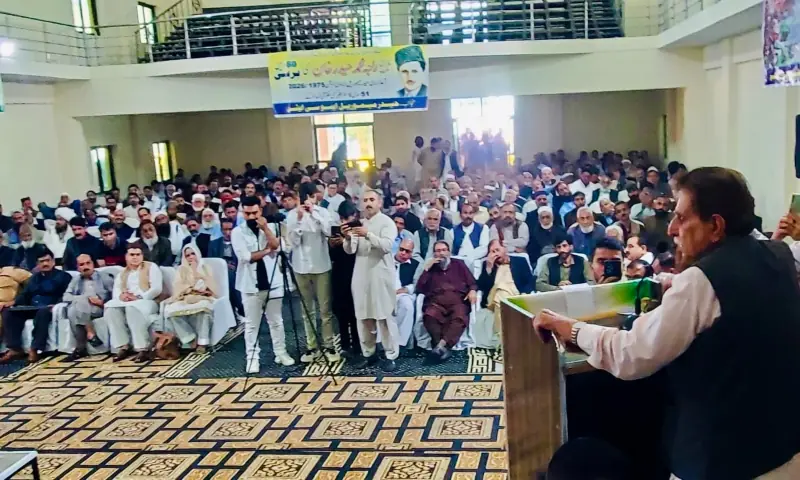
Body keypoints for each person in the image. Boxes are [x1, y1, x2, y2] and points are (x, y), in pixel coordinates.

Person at [535, 167, 800, 479]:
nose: (673, 228)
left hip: (722, 462)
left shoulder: (701, 280)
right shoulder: (784, 255)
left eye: (682, 217)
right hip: (785, 452)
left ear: (715, 225)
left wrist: (571, 329)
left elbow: (632, 354)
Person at [231, 196, 295, 373]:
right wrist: (267, 250)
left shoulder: (272, 226)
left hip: (273, 280)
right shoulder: (237, 232)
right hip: (250, 284)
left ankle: (280, 352)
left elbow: (279, 246)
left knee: (276, 321)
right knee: (252, 325)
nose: (251, 217)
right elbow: (246, 257)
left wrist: (265, 228)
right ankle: (252, 358)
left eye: (254, 213)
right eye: (247, 213)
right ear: (242, 212)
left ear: (261, 211)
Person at [342, 189, 399, 372]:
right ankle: (369, 354)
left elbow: (387, 246)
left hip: (381, 276)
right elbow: (350, 251)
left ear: (379, 203)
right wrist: (348, 237)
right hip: (361, 275)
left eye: (372, 200)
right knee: (363, 316)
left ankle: (390, 355)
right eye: (365, 200)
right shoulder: (359, 223)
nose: (368, 203)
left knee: (384, 317)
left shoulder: (387, 223)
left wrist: (368, 234)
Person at [286, 189, 338, 363]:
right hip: (300, 267)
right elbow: (292, 242)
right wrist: (300, 220)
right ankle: (311, 346)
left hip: (321, 265)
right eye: (304, 197)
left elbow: (329, 232)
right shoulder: (292, 216)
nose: (307, 201)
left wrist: (314, 215)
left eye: (311, 197)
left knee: (325, 309)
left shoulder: (323, 212)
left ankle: (329, 345)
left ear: (315, 197)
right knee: (307, 311)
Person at [0, 248, 71, 364]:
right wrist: (13, 303)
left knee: (42, 312)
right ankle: (14, 348)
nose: (45, 264)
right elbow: (25, 294)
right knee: (9, 312)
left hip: (49, 307)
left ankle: (35, 349)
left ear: (53, 261)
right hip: (32, 307)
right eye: (41, 261)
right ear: (38, 264)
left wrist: (57, 304)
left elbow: (67, 294)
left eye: (47, 260)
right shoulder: (34, 278)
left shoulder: (64, 276)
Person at [415, 240, 477, 363]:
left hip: (457, 301)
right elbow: (419, 288)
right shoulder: (430, 268)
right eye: (438, 251)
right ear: (434, 254)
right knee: (429, 315)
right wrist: (426, 270)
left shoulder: (459, 264)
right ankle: (443, 348)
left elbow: (472, 283)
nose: (441, 253)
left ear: (449, 252)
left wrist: (473, 291)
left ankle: (440, 347)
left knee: (459, 317)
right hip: (436, 302)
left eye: (444, 250)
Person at [104, 242, 163, 363]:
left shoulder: (151, 267)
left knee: (132, 308)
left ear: (142, 256)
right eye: (132, 254)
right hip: (128, 302)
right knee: (111, 309)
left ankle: (142, 348)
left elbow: (157, 288)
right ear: (126, 256)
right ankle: (123, 347)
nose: (135, 257)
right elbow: (116, 291)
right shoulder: (122, 272)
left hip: (147, 301)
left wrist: (139, 297)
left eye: (138, 254)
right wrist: (122, 296)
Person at [163, 244, 218, 354]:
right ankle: (189, 338)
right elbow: (178, 287)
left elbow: (213, 286)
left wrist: (199, 277)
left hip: (203, 297)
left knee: (204, 310)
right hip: (186, 297)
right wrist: (189, 289)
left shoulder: (205, 268)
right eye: (187, 255)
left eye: (193, 254)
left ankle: (202, 343)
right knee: (170, 311)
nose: (191, 257)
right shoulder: (181, 270)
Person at [477, 239, 534, 342]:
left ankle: (503, 339)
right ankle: (508, 339)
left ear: (505, 249)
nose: (495, 254)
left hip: (516, 294)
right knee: (500, 292)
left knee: (502, 298)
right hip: (494, 297)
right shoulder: (488, 266)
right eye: (492, 252)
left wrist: (526, 293)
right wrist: (489, 269)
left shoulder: (520, 261)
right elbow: (482, 287)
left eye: (497, 250)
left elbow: (530, 281)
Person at [62, 254, 114, 361]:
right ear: (78, 267)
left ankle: (80, 348)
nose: (85, 266)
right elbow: (66, 296)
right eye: (82, 264)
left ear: (93, 264)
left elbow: (115, 295)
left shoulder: (104, 277)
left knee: (75, 309)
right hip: (82, 309)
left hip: (99, 308)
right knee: (75, 308)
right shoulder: (76, 280)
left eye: (88, 263)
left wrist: (102, 302)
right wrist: (84, 298)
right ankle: (90, 333)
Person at [329, 201, 360, 359]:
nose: (345, 222)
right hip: (339, 274)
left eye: (348, 218)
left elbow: (359, 253)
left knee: (355, 311)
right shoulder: (335, 231)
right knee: (341, 311)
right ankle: (345, 345)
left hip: (355, 273)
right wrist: (333, 245)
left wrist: (347, 241)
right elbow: (332, 257)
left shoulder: (359, 229)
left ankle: (357, 343)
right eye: (342, 218)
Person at [207, 217, 242, 316]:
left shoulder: (240, 243)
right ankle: (237, 309)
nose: (228, 233)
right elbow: (211, 262)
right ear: (221, 230)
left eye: (230, 229)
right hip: (220, 274)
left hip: (238, 272)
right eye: (225, 230)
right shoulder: (214, 244)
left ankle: (237, 309)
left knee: (231, 276)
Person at [394, 238, 419, 349]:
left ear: (412, 253)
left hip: (404, 294)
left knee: (407, 306)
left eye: (407, 251)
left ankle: (400, 343)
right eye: (401, 249)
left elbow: (418, 283)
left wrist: (406, 289)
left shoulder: (416, 265)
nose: (403, 253)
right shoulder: (386, 261)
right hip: (385, 293)